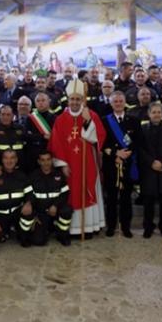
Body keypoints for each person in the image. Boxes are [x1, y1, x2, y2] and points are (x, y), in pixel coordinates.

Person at [48, 79, 106, 238]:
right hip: (69, 165)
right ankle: (72, 228)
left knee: (87, 190)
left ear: (82, 100)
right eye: (72, 99)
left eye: (77, 99)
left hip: (88, 164)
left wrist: (87, 121)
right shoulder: (60, 119)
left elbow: (98, 137)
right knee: (71, 194)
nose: (74, 102)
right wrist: (62, 164)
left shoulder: (91, 115)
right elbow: (56, 143)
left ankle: (88, 227)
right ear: (68, 100)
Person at [138, 102, 162, 238]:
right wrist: (152, 162)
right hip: (148, 170)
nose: (156, 115)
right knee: (148, 202)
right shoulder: (142, 128)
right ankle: (148, 227)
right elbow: (140, 149)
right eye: (154, 112)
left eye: (159, 112)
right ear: (149, 114)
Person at [102, 91, 139, 238]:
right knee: (111, 198)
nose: (118, 104)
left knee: (126, 198)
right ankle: (111, 226)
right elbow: (102, 142)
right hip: (111, 164)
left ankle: (126, 227)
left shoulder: (134, 120)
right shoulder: (105, 121)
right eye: (115, 101)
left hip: (128, 164)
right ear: (111, 104)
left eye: (120, 101)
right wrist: (116, 153)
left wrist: (127, 153)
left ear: (125, 103)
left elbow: (138, 141)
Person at [0, 149, 34, 247]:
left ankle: (23, 235)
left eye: (12, 158)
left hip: (17, 213)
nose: (9, 161)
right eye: (6, 158)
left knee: (29, 213)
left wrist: (28, 203)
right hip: (1, 215)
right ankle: (7, 231)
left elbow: (30, 193)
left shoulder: (22, 176)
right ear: (2, 160)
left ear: (16, 159)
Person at [29, 151, 72, 246]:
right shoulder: (33, 177)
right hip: (41, 213)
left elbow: (65, 193)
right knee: (38, 241)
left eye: (48, 159)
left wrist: (55, 206)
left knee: (67, 210)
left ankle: (62, 234)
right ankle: (46, 229)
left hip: (56, 210)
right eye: (43, 160)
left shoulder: (59, 175)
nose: (46, 163)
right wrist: (34, 215)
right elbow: (29, 197)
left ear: (52, 161)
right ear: (39, 162)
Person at [0, 106, 27, 172]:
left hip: (20, 168)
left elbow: (26, 148)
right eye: (3, 114)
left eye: (8, 115)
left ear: (13, 116)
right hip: (1, 169)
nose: (5, 117)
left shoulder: (20, 129)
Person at [24, 92, 56, 172]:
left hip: (49, 153)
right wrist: (43, 136)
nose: (40, 103)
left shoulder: (55, 118)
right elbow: (26, 136)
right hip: (33, 154)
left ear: (49, 101)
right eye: (38, 101)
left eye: (43, 100)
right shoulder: (30, 118)